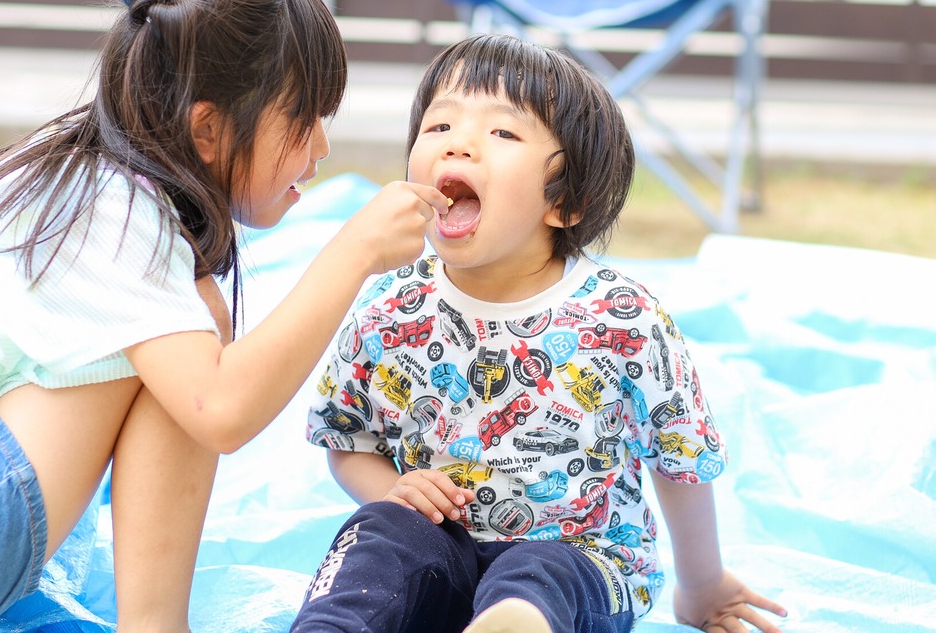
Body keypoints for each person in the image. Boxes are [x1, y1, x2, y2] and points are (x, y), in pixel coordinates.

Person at [0, 0, 448, 633]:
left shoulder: (75, 171)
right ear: (207, 130)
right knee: (193, 355)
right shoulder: (118, 213)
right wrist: (351, 252)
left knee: (184, 333)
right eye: (303, 120)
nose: (321, 147)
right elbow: (221, 410)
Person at [292, 34, 788, 633]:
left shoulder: (622, 321)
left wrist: (703, 584)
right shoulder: (389, 303)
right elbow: (348, 439)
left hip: (579, 559)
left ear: (566, 201)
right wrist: (395, 489)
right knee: (378, 537)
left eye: (502, 133)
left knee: (538, 576)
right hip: (438, 550)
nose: (460, 145)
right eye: (439, 125)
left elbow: (680, 457)